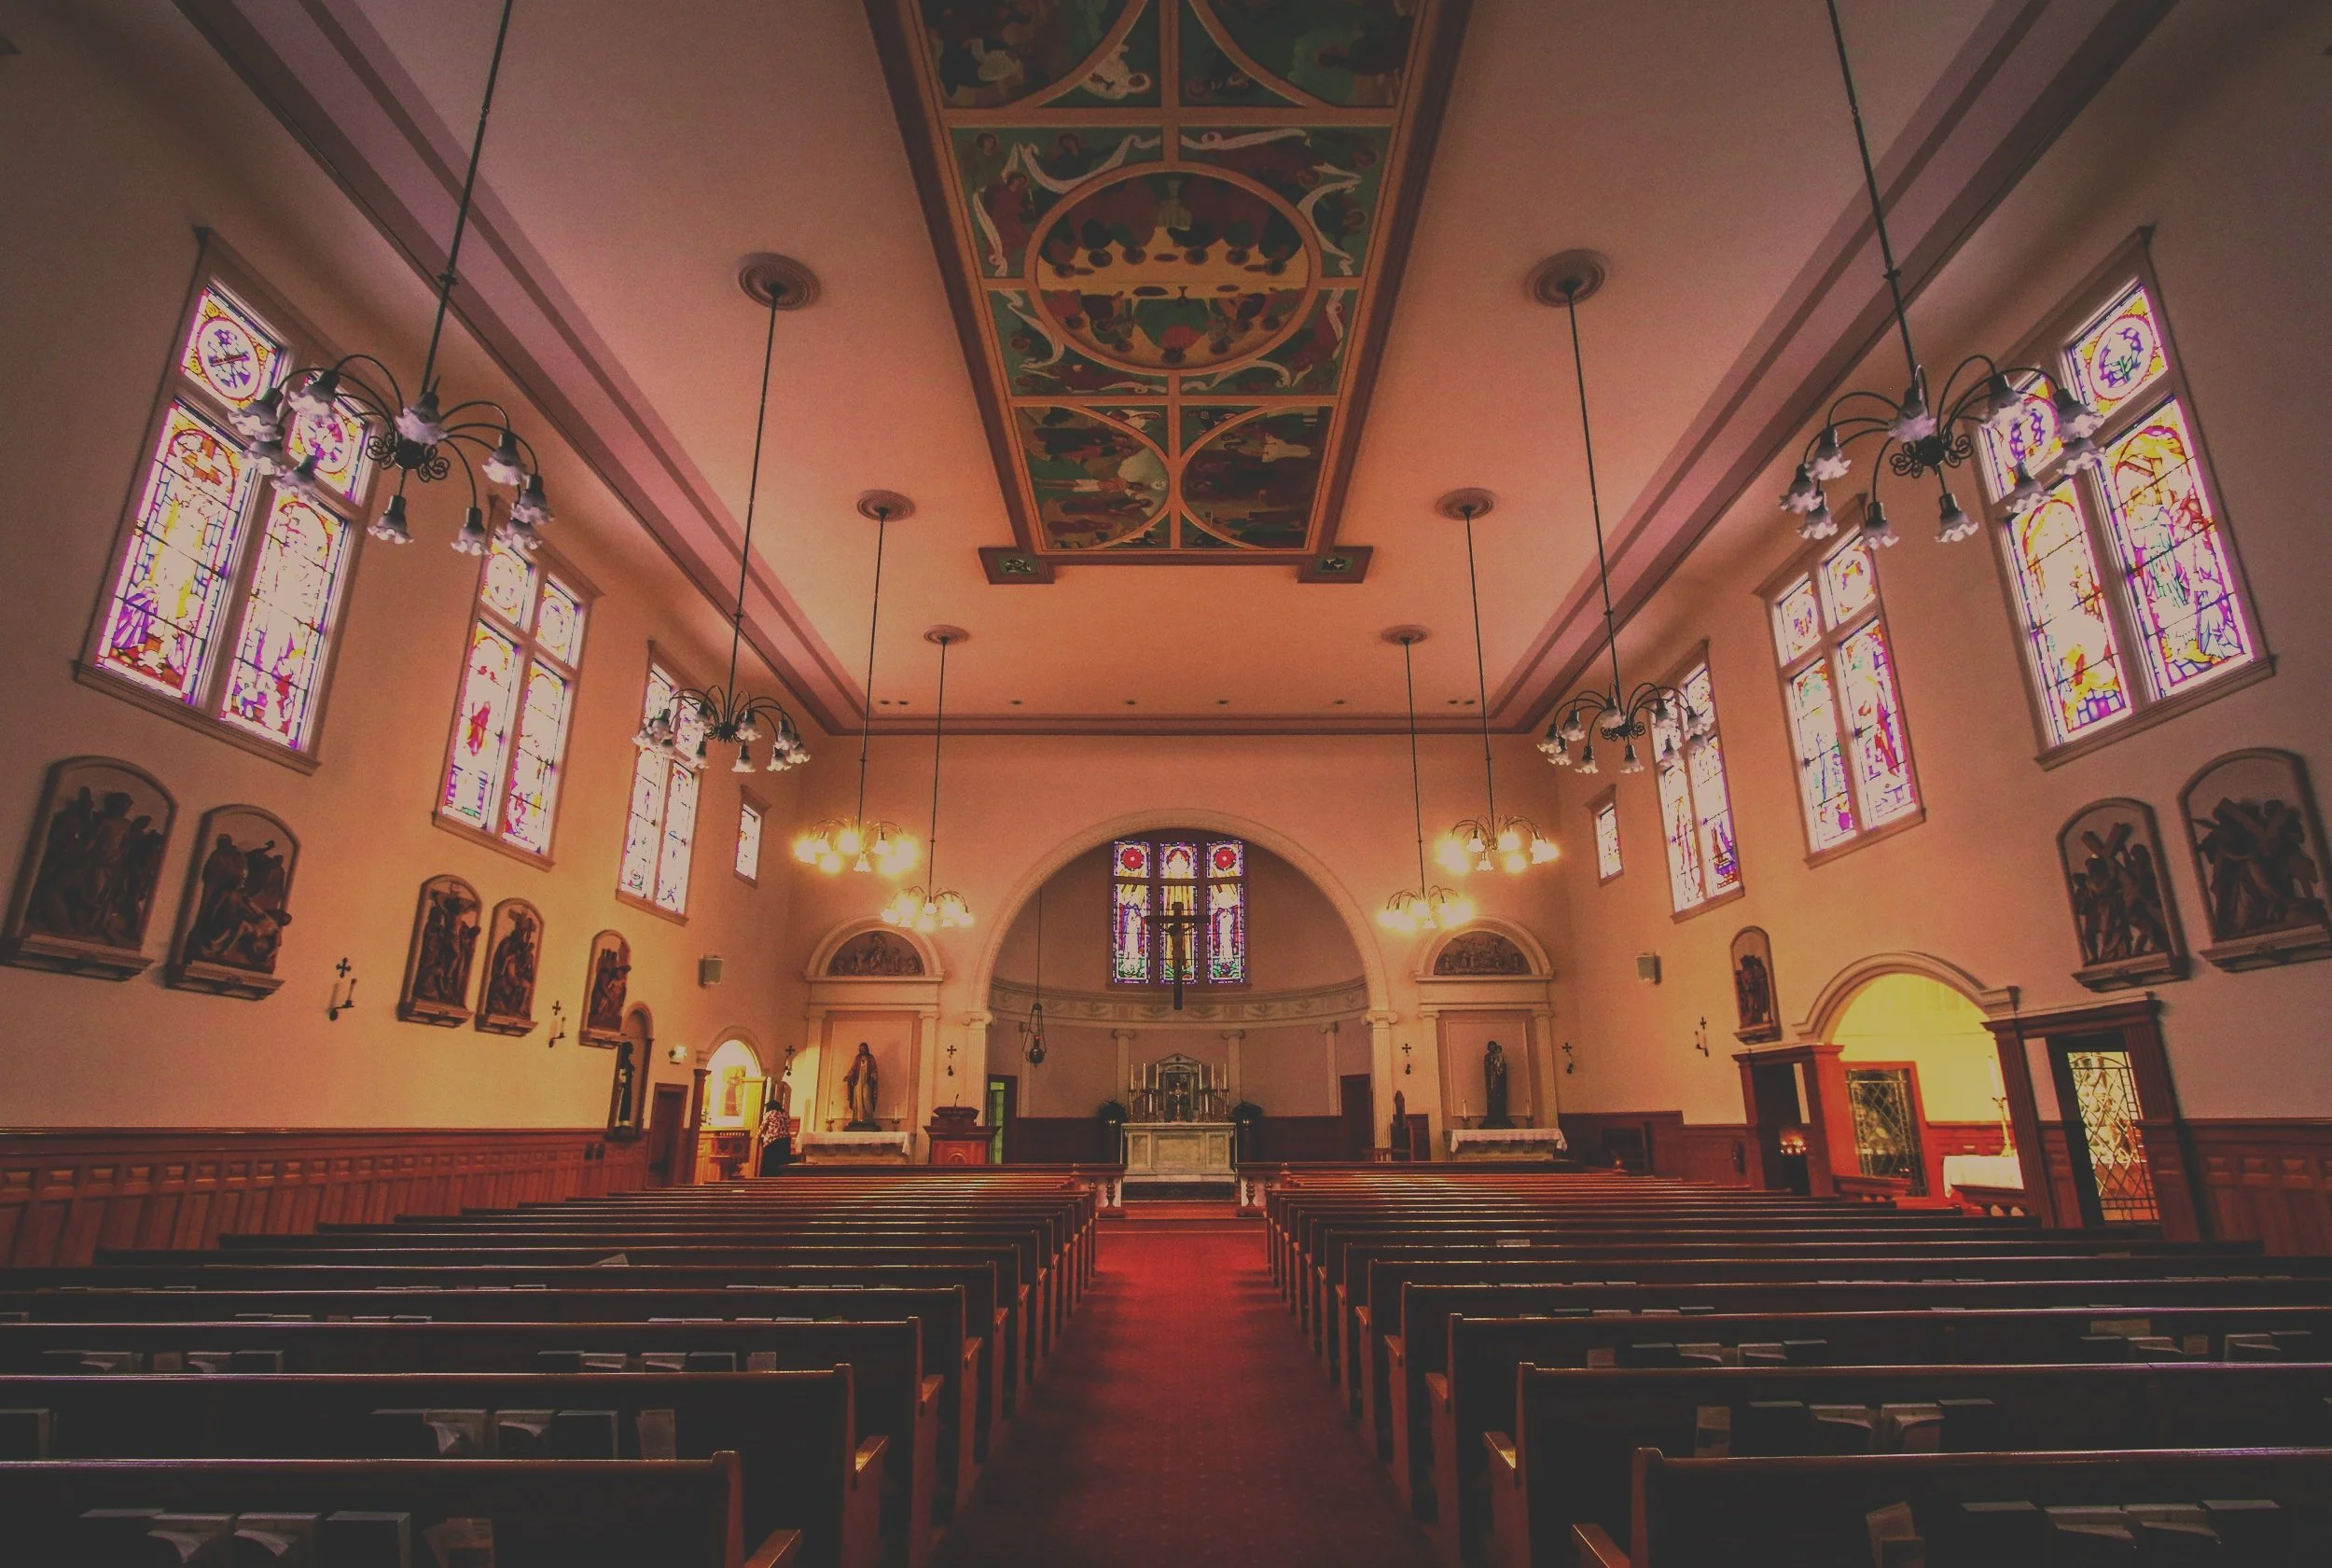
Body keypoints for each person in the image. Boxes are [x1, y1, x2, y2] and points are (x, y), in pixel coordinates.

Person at [844, 1042, 881, 1130]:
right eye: (860, 1049)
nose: (862, 1050)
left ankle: (868, 1118)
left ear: (866, 1049)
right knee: (858, 1098)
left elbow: (874, 1069)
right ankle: (858, 1117)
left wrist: (874, 1074)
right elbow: (853, 1069)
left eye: (863, 1048)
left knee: (866, 1097)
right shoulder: (857, 1058)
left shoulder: (871, 1058)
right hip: (858, 1081)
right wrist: (849, 1075)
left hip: (867, 1081)